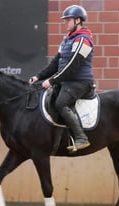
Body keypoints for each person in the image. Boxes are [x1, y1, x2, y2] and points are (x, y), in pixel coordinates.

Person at [29, 5, 95, 152]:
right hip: (67, 81)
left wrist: (51, 81)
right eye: (65, 20)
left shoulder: (83, 39)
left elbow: (72, 67)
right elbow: (55, 64)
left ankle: (81, 138)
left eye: (68, 20)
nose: (65, 23)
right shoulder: (67, 39)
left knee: (61, 103)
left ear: (78, 20)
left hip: (80, 82)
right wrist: (39, 76)